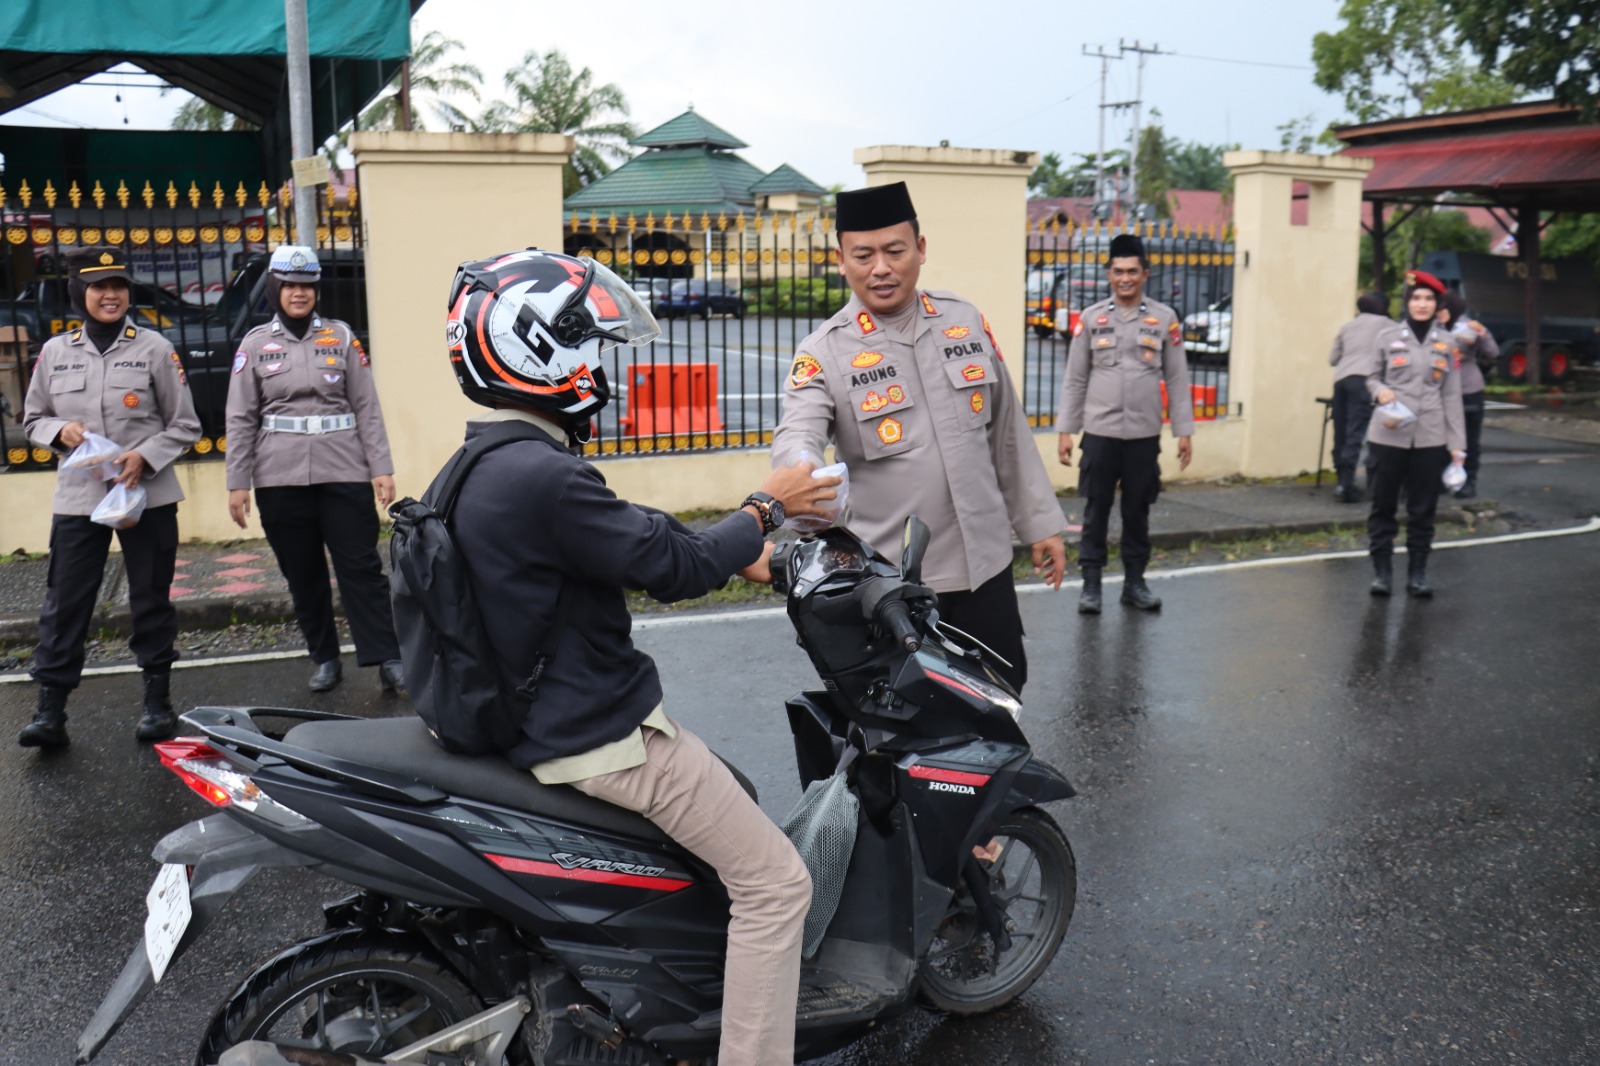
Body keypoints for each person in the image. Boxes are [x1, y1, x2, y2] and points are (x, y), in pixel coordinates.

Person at [441, 248, 840, 1066]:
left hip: (527, 722)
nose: (601, 360)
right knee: (776, 885)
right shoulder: (543, 476)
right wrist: (767, 510)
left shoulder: (485, 461)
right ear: (542, 352)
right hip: (600, 738)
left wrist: (732, 548)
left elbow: (628, 534)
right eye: (590, 341)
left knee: (732, 794)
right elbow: (671, 567)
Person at [770, 182, 1066, 693]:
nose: (880, 267)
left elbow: (1007, 432)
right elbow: (798, 432)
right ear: (841, 260)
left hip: (985, 570)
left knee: (1002, 701)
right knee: (902, 733)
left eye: (894, 250)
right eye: (863, 254)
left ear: (921, 250)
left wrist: (1039, 524)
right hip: (890, 588)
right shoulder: (823, 353)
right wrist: (801, 471)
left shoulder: (964, 322)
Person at [18, 246, 201, 748]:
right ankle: (50, 712)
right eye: (99, 286)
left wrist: (145, 456)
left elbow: (186, 425)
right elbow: (32, 419)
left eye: (118, 286)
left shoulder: (156, 349)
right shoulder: (56, 352)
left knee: (150, 598)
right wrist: (61, 431)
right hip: (79, 499)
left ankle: (157, 703)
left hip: (147, 496)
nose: (111, 295)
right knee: (65, 602)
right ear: (80, 292)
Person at [225, 246, 403, 693]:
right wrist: (237, 482)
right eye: (290, 285)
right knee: (302, 572)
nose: (299, 293)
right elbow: (240, 417)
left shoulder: (341, 338)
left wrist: (380, 467)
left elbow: (367, 407)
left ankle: (387, 658)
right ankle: (324, 657)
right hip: (278, 476)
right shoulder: (254, 345)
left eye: (306, 285)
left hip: (342, 468)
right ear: (275, 289)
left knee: (361, 568)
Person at [1056, 232, 1194, 614]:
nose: (1125, 278)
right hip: (1099, 434)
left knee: (1138, 509)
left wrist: (1184, 432)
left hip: (1143, 435)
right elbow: (1075, 378)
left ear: (1145, 273)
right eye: (1118, 271)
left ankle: (1135, 583)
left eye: (1132, 271)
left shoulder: (1165, 319)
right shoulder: (1091, 318)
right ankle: (1091, 586)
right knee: (1096, 509)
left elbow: (1178, 379)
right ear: (1109, 274)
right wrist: (1066, 431)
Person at [1365, 270, 1467, 598]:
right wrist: (1379, 390)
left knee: (1423, 509)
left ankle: (1417, 575)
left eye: (1428, 299)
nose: (1421, 304)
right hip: (1388, 435)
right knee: (1383, 505)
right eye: (1416, 298)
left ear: (1438, 306)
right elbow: (1370, 376)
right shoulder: (1386, 337)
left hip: (1430, 437)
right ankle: (1382, 574)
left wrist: (1457, 446)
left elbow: (1452, 395)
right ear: (1407, 303)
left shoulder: (1447, 343)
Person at [1327, 291, 1392, 503]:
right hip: (1366, 382)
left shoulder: (1348, 326)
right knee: (1358, 432)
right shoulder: (1388, 325)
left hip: (1342, 380)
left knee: (1342, 431)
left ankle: (1342, 479)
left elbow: (1333, 358)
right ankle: (1351, 486)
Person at [1439, 291, 1496, 499]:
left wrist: (1483, 333)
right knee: (1439, 438)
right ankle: (1441, 479)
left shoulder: (1467, 326)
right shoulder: (1432, 325)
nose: (1439, 311)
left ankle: (1468, 481)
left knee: (1469, 440)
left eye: (1443, 307)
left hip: (1468, 389)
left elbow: (1493, 353)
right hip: (1439, 390)